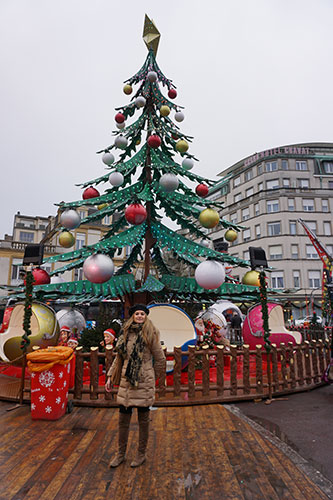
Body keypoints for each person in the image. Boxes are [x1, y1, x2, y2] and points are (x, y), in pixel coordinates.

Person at [105, 304, 165, 468]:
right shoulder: (125, 333)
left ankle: (141, 454)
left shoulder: (150, 333)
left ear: (146, 316)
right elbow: (119, 357)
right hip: (126, 379)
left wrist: (156, 377)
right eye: (137, 313)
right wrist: (110, 376)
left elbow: (159, 358)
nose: (139, 316)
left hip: (143, 379)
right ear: (132, 316)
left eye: (142, 314)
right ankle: (120, 454)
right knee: (123, 419)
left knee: (143, 419)